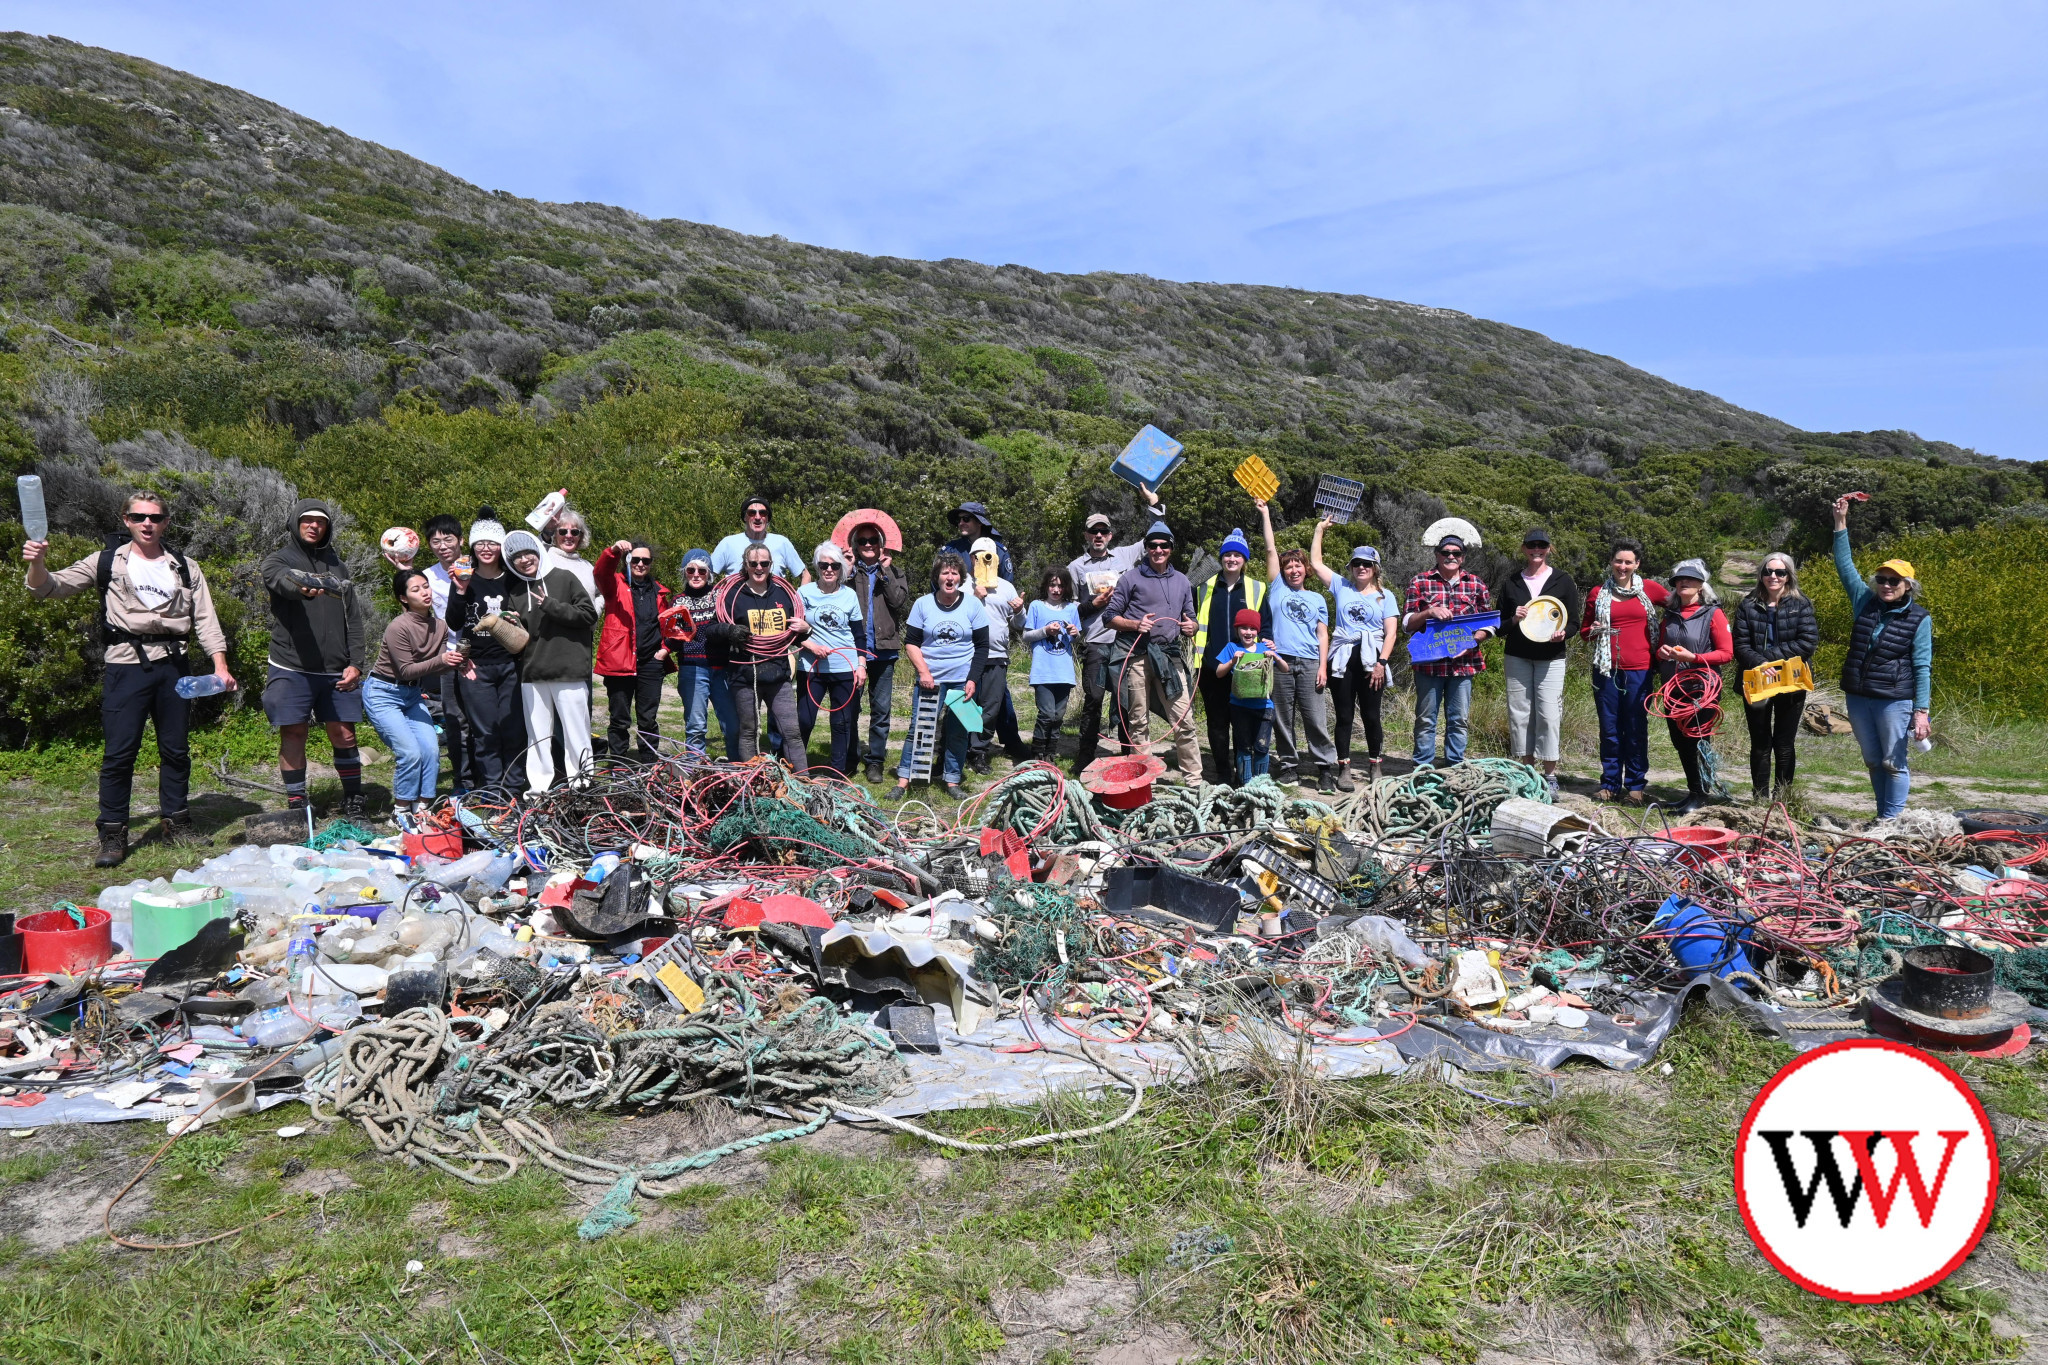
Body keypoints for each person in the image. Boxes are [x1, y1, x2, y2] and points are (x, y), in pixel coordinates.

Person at [22, 492, 236, 866]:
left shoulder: (185, 566)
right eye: (139, 517)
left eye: (155, 517)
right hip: (125, 665)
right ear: (126, 520)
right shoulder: (105, 561)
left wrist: (220, 665)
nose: (147, 523)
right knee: (120, 753)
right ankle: (112, 834)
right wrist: (37, 563)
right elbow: (48, 588)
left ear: (166, 522)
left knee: (176, 750)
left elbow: (206, 620)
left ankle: (177, 821)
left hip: (174, 666)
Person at [260, 499, 367, 818]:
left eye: (319, 521)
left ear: (327, 527)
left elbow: (355, 619)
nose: (313, 525)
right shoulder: (278, 560)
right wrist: (305, 585)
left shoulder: (338, 565)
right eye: (306, 520)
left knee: (344, 733)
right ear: (295, 523)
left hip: (336, 668)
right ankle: (297, 804)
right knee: (293, 732)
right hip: (291, 666)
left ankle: (354, 799)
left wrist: (357, 662)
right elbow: (281, 580)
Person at [1832, 492, 1933, 819]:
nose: (1886, 585)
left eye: (1894, 581)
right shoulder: (1865, 602)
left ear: (1907, 585)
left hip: (1894, 699)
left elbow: (1922, 667)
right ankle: (1882, 817)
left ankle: (1891, 822)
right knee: (1873, 760)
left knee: (1893, 762)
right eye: (1882, 579)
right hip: (1860, 696)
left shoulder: (1919, 618)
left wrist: (1921, 712)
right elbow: (1845, 566)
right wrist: (1840, 522)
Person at [1065, 487, 1164, 770]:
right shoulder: (1075, 567)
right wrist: (1093, 605)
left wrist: (1154, 504)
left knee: (1125, 701)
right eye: (1093, 531)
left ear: (1110, 535)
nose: (1098, 536)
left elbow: (1155, 540)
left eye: (1103, 531)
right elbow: (1071, 608)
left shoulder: (1123, 556)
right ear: (1086, 536)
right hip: (1095, 642)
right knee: (1094, 699)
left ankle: (1126, 756)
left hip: (1124, 642)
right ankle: (1085, 756)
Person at [1103, 521, 1203, 785]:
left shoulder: (1182, 581)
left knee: (1184, 719)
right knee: (1138, 722)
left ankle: (1194, 781)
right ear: (1146, 548)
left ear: (1171, 548)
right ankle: (1145, 782)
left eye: (1163, 545)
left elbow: (1191, 619)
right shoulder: (1130, 578)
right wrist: (1136, 624)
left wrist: (1191, 627)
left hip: (1169, 658)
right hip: (1136, 657)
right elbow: (1109, 617)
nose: (1158, 550)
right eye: (1152, 545)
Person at [501, 528, 598, 795]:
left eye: (528, 552)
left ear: (538, 552)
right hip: (532, 672)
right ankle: (539, 787)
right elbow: (522, 634)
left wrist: (551, 605)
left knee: (576, 732)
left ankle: (582, 784)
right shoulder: (517, 591)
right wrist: (511, 624)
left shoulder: (564, 578)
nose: (524, 559)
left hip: (569, 670)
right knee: (538, 737)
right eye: (516, 556)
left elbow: (589, 615)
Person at [365, 568, 468, 814]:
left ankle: (422, 808)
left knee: (431, 750)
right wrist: (444, 659)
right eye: (416, 589)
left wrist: (458, 663)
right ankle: (401, 811)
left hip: (412, 695)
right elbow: (407, 670)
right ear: (403, 598)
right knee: (410, 753)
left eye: (425, 586)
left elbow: (436, 668)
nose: (424, 592)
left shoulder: (440, 626)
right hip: (383, 692)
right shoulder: (398, 627)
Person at [1311, 524, 1400, 791]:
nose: (1362, 568)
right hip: (1343, 658)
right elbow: (1315, 563)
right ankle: (1344, 768)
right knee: (1344, 716)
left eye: (1367, 564)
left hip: (1372, 657)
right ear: (1350, 567)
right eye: (1357, 563)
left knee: (1372, 715)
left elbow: (1391, 633)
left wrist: (1381, 664)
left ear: (1376, 568)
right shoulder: (1341, 586)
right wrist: (1319, 530)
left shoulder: (1386, 597)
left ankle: (1375, 764)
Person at [1252, 500, 1335, 791]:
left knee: (1315, 719)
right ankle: (1289, 766)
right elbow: (1270, 549)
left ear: (1306, 569)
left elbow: (1323, 635)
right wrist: (1265, 513)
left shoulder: (1318, 599)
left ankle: (1325, 768)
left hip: (1311, 662)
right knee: (1282, 718)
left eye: (1298, 565)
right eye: (1289, 566)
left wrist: (1323, 665)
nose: (1293, 570)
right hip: (1280, 661)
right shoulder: (1277, 587)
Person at [894, 551, 989, 800]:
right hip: (930, 679)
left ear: (961, 577)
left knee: (958, 730)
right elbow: (911, 642)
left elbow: (982, 646)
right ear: (937, 576)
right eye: (945, 572)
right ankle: (904, 779)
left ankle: (952, 780)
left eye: (954, 573)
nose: (949, 577)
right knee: (920, 729)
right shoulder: (922, 604)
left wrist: (972, 679)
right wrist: (923, 671)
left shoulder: (972, 605)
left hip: (961, 679)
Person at [443, 512, 527, 792]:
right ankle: (492, 790)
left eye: (493, 543)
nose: (486, 548)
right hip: (475, 666)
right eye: (480, 543)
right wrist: (460, 590)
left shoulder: (514, 580)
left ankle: (514, 788)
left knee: (514, 730)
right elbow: (454, 623)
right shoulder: (465, 578)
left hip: (512, 664)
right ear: (472, 547)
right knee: (486, 731)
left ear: (502, 546)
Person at [1581, 540, 1669, 803]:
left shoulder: (1650, 590)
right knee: (1609, 729)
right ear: (1611, 562)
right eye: (1618, 561)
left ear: (1637, 564)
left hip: (1640, 671)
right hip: (1606, 671)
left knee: (1635, 727)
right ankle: (1609, 784)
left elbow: (1680, 607)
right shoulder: (1598, 593)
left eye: (1628, 562)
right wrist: (1594, 630)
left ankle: (1635, 786)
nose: (1623, 566)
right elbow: (1585, 633)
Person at [1494, 529, 1580, 800]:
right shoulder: (1511, 582)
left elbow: (1574, 622)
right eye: (1531, 545)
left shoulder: (1563, 581)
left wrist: (1563, 633)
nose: (1536, 550)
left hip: (1551, 658)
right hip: (1517, 655)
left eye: (1541, 545)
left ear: (1548, 548)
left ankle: (1550, 775)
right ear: (1523, 549)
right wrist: (1514, 620)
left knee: (1548, 714)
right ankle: (1526, 774)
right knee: (1520, 714)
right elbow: (1499, 625)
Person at [1732, 551, 1819, 803]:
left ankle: (1783, 799)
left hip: (1791, 682)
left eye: (1780, 572)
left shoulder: (1801, 603)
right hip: (1757, 680)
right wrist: (1760, 662)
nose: (1773, 576)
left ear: (1788, 576)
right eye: (1768, 571)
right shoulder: (1748, 604)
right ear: (1760, 575)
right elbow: (1740, 644)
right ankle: (1759, 798)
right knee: (1760, 743)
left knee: (1784, 743)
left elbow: (1807, 642)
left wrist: (1771, 658)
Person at [1403, 531, 1493, 770]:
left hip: (1464, 664)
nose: (1450, 556)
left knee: (1459, 720)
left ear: (1462, 557)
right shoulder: (1419, 582)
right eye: (1445, 552)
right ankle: (1423, 768)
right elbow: (1407, 623)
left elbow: (1489, 623)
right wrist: (1429, 612)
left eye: (1456, 553)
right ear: (1437, 554)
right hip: (1429, 663)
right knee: (1425, 719)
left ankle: (1454, 767)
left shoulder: (1476, 584)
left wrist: (1473, 642)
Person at [713, 542, 810, 762]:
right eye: (754, 563)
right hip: (745, 676)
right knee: (748, 733)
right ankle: (751, 785)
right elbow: (711, 630)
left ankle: (803, 783)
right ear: (745, 565)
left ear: (770, 565)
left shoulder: (784, 595)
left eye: (764, 563)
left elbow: (796, 632)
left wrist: (807, 629)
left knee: (792, 733)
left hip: (778, 675)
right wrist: (729, 629)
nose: (759, 568)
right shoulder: (733, 595)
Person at [1654, 559, 1734, 814]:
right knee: (1680, 741)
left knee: (1697, 740)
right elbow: (1659, 647)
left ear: (1701, 586)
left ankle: (1701, 795)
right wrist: (1662, 652)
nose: (1683, 583)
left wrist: (1694, 659)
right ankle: (1693, 792)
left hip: (1701, 690)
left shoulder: (1714, 614)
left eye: (1690, 580)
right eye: (1679, 580)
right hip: (1672, 688)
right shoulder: (1670, 614)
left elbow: (1726, 653)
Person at [1192, 527, 1268, 785]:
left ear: (1244, 560)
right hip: (1212, 665)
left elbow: (1265, 626)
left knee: (1243, 722)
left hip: (1247, 667)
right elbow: (1191, 619)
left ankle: (1243, 773)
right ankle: (1222, 772)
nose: (1232, 559)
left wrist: (1266, 647)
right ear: (1222, 558)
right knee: (1217, 721)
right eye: (1227, 554)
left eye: (1237, 555)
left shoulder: (1257, 588)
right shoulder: (1205, 587)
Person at [591, 539, 671, 762]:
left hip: (651, 663)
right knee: (619, 718)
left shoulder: (660, 592)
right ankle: (618, 763)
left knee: (648, 719)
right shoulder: (614, 584)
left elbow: (669, 627)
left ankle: (649, 763)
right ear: (628, 560)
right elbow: (600, 572)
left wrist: (664, 650)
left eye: (645, 560)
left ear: (650, 563)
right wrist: (613, 552)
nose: (640, 564)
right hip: (619, 660)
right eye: (635, 559)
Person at [845, 518, 910, 782]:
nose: (868, 544)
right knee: (849, 707)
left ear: (882, 545)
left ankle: (875, 762)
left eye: (873, 540)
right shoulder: (846, 571)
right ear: (856, 545)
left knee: (881, 711)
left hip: (884, 651)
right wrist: (846, 569)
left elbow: (898, 601)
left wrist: (885, 573)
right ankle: (849, 756)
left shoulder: (895, 572)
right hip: (852, 650)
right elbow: (833, 595)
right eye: (863, 541)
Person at [797, 541, 867, 777]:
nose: (829, 569)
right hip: (811, 666)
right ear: (817, 566)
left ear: (841, 569)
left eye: (834, 565)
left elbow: (859, 634)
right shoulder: (804, 593)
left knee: (842, 723)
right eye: (824, 564)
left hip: (844, 666)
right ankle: (795, 769)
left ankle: (837, 773)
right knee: (804, 720)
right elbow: (791, 631)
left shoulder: (850, 596)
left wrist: (861, 665)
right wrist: (812, 646)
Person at [967, 537, 1030, 773]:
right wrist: (974, 598)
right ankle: (965, 748)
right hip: (968, 655)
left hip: (997, 655)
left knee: (991, 706)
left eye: (988, 555)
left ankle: (979, 751)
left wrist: (1019, 610)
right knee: (967, 704)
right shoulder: (963, 584)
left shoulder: (1006, 586)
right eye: (978, 555)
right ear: (972, 559)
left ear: (996, 559)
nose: (984, 559)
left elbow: (1018, 625)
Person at [420, 513, 472, 793]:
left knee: (485, 719)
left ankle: (490, 778)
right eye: (435, 541)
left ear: (461, 540)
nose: (442, 546)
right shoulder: (427, 576)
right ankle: (462, 782)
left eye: (448, 539)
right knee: (454, 720)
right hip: (449, 656)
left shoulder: (478, 567)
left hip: (483, 654)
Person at [670, 549, 738, 756]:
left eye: (702, 570)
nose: (696, 574)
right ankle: (694, 772)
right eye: (691, 570)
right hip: (692, 668)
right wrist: (671, 637)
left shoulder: (721, 597)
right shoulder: (678, 602)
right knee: (696, 727)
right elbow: (673, 639)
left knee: (733, 725)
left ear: (709, 573)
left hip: (722, 668)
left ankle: (738, 769)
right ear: (685, 572)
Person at [1213, 609, 1288, 785]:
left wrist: (1274, 655)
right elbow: (1218, 673)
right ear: (1237, 629)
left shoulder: (1265, 648)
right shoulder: (1232, 647)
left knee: (1262, 747)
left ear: (1258, 631)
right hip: (1239, 706)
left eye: (1252, 628)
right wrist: (1232, 661)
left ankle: (1261, 784)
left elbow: (1285, 668)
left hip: (1264, 707)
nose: (1248, 632)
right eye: (1244, 628)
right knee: (1244, 747)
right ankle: (1244, 784)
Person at [1021, 569, 1081, 761]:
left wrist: (1074, 633)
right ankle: (1037, 752)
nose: (1056, 589)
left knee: (1058, 717)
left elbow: (1076, 640)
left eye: (1060, 586)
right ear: (1046, 586)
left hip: (1064, 673)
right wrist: (1046, 631)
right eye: (1052, 585)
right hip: (1043, 671)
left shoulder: (1071, 609)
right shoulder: (1037, 606)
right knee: (1046, 714)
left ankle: (1050, 753)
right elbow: (1026, 636)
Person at [710, 496, 807, 582]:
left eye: (763, 513)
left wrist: (798, 600)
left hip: (774, 601)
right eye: (752, 513)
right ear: (745, 517)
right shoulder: (728, 543)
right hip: (736, 601)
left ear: (767, 518)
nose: (757, 517)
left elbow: (805, 575)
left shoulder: (782, 543)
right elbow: (707, 574)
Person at [938, 502, 1014, 587]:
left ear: (979, 522)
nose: (961, 523)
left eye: (966, 519)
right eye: (959, 520)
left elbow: (1007, 584)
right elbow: (937, 584)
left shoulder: (998, 550)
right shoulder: (949, 550)